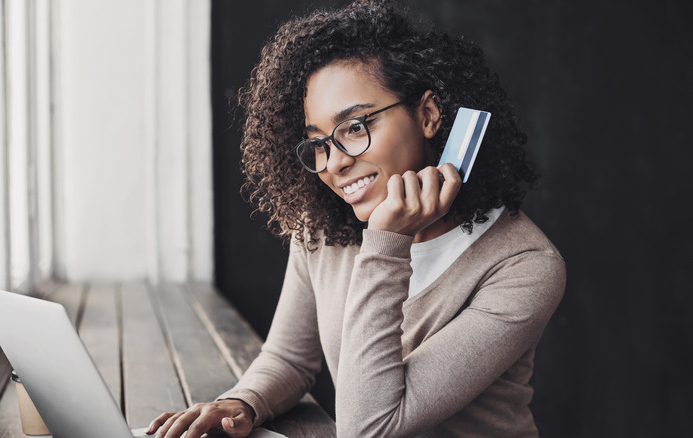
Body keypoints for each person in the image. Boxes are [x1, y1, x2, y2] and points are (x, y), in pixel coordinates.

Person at [147, 0, 565, 436]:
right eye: (320, 143)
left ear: (427, 115)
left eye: (356, 127)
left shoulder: (523, 265)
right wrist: (239, 403)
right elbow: (289, 358)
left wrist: (386, 241)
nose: (334, 163)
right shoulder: (323, 231)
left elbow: (369, 427)